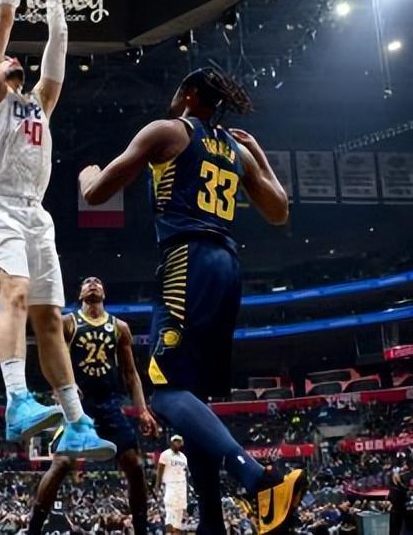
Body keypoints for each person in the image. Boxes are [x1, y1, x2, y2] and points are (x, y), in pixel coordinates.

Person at [79, 67, 303, 533]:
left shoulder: (168, 131)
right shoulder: (238, 149)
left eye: (178, 88)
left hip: (187, 261)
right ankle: (212, 526)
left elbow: (97, 195)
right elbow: (280, 210)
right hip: (227, 266)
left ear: (190, 94)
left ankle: (257, 479)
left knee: (164, 392)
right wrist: (259, 155)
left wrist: (87, 174)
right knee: (193, 400)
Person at [0, 0, 113, 459]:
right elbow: (1, 26)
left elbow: (59, 44)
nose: (12, 59)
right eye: (4, 59)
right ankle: (16, 399)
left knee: (51, 318)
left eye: (14, 60)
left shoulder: (40, 102)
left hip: (37, 213)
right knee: (15, 295)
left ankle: (75, 423)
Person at [27, 276, 159, 535]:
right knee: (62, 464)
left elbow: (130, 374)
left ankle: (141, 530)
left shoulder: (119, 327)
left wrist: (143, 410)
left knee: (135, 464)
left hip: (109, 404)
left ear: (104, 293)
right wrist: (62, 386)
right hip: (78, 404)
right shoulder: (68, 322)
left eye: (98, 281)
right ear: (80, 294)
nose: (93, 283)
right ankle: (33, 529)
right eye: (87, 282)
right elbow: (53, 357)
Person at [155, 435, 189, 534]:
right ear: (171, 442)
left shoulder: (183, 457)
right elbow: (160, 469)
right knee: (170, 514)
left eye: (179, 441)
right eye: (175, 441)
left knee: (179, 515)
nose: (177, 443)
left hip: (182, 486)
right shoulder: (165, 454)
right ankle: (169, 533)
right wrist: (158, 485)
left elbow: (185, 473)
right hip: (170, 485)